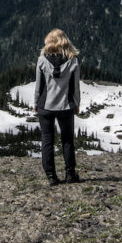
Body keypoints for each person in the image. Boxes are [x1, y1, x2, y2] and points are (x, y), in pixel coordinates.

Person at [34, 28, 81, 185]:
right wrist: (76, 104)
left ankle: (51, 176)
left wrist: (36, 103)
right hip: (65, 106)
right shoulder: (73, 60)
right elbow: (75, 86)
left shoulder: (42, 60)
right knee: (67, 140)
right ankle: (70, 174)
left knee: (47, 140)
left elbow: (39, 86)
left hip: (45, 106)